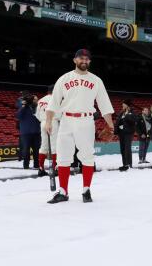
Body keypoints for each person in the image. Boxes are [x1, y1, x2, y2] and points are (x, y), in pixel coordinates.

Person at [45, 49, 114, 204]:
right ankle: (63, 191)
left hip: (86, 120)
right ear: (75, 60)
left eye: (87, 59)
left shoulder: (96, 80)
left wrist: (110, 125)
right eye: (81, 58)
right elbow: (53, 102)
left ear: (89, 62)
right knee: (63, 157)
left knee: (87, 156)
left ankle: (86, 190)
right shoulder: (64, 78)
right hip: (66, 120)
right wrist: (48, 121)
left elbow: (104, 105)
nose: (84, 61)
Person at [35, 85, 59, 176]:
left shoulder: (41, 100)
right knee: (54, 146)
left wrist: (43, 120)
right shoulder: (56, 99)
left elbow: (37, 115)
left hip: (43, 123)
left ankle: (41, 168)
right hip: (53, 121)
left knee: (44, 146)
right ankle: (55, 168)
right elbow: (59, 113)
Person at [16, 93, 41, 169]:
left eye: (37, 99)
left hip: (36, 132)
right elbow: (18, 116)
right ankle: (26, 165)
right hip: (25, 133)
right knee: (26, 150)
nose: (36, 101)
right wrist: (23, 106)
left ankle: (36, 165)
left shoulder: (38, 107)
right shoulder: (24, 107)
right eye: (35, 99)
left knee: (36, 150)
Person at [115, 99, 136, 171]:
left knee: (127, 148)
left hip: (128, 133)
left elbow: (133, 121)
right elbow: (118, 121)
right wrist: (118, 127)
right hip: (121, 133)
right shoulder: (121, 113)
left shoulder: (132, 112)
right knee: (123, 149)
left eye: (123, 104)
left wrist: (126, 116)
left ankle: (129, 164)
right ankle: (124, 164)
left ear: (127, 105)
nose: (122, 105)